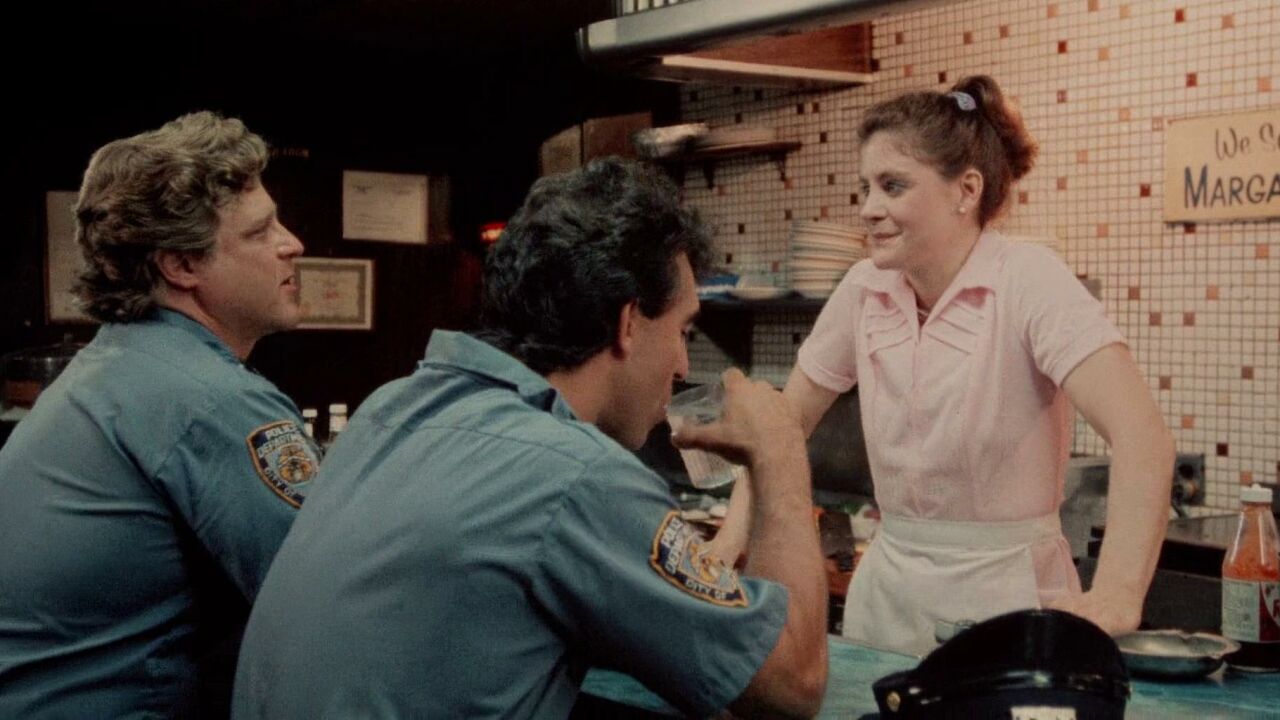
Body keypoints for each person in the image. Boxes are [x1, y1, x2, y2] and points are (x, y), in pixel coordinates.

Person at [231, 157, 828, 719]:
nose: (682, 364)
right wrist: (778, 446)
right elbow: (791, 684)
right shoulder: (576, 474)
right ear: (627, 323)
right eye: (683, 331)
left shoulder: (393, 408)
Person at [722, 76, 1174, 657]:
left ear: (966, 190)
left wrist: (1116, 594)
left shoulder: (1028, 280)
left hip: (1009, 596)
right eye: (866, 187)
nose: (868, 210)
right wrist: (725, 545)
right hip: (888, 598)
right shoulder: (864, 288)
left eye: (893, 186)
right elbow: (779, 429)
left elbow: (1143, 437)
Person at [0, 111, 318, 717]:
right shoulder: (209, 399)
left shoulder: (116, 365)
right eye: (260, 231)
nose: (292, 243)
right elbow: (327, 596)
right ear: (181, 266)